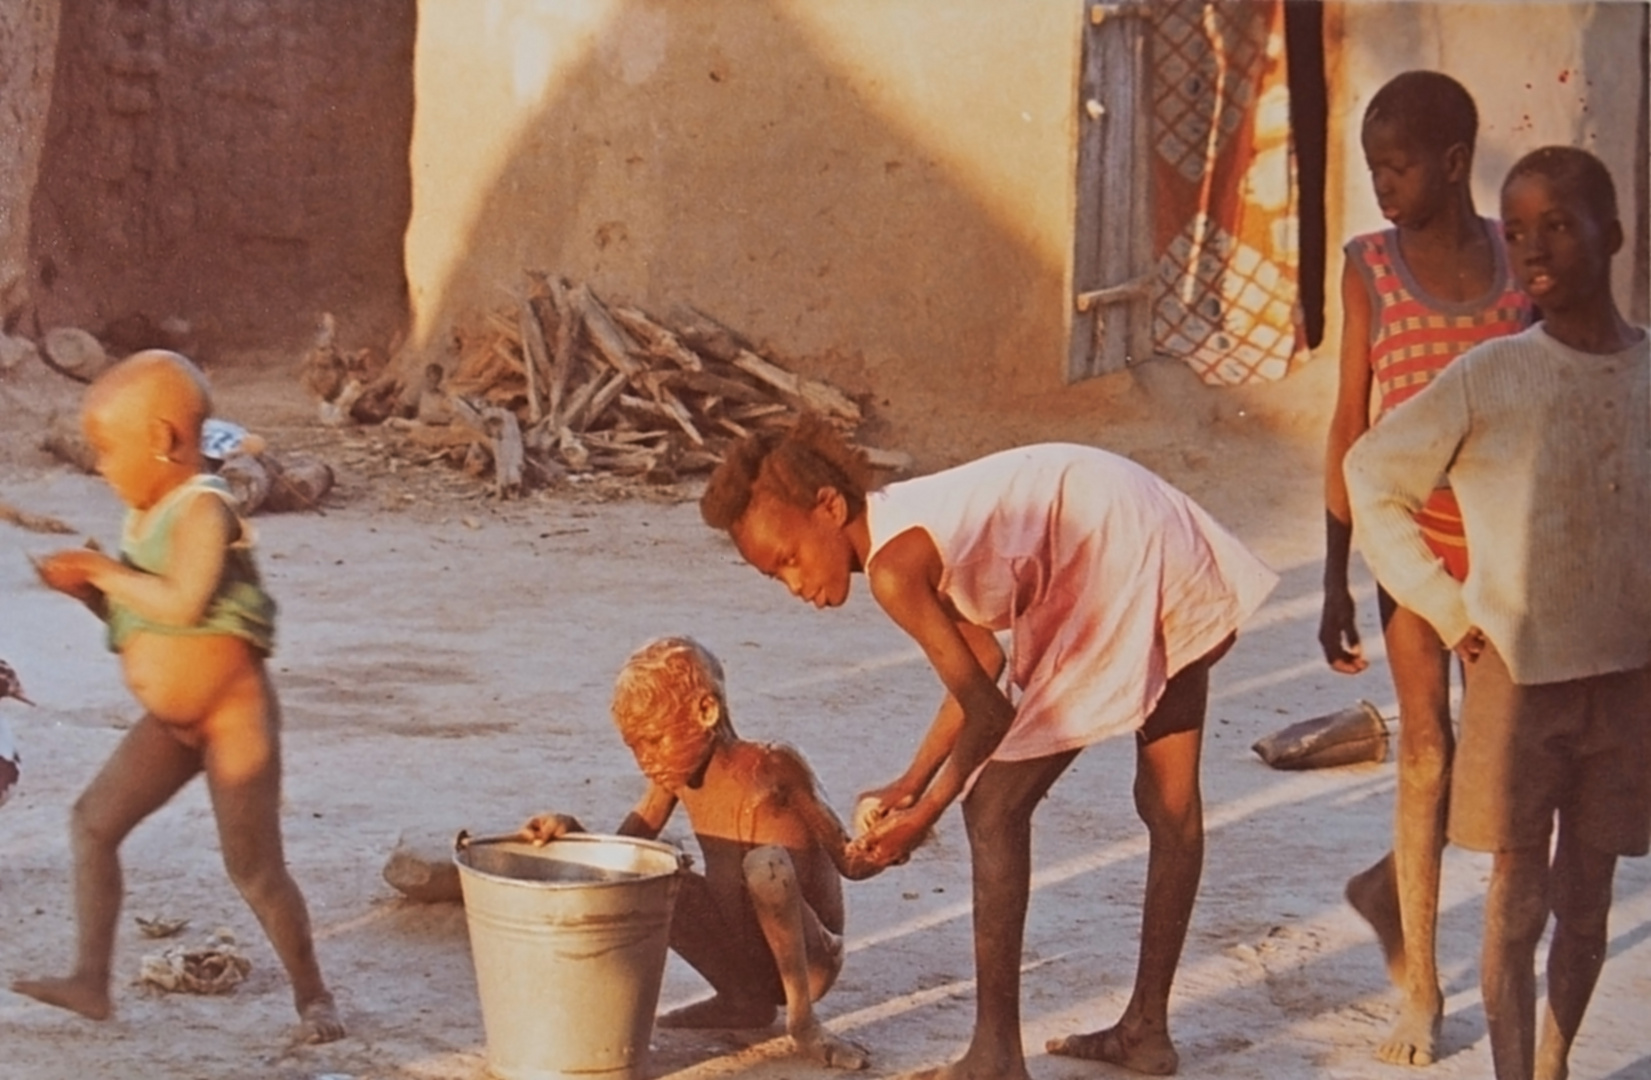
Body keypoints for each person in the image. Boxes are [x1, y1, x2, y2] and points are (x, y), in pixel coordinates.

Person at [699, 424, 1276, 1079]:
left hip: (1109, 548)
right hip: (1140, 524)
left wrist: (928, 811)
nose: (793, 584)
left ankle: (994, 1057)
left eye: (788, 559)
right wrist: (909, 782)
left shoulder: (892, 567)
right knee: (1168, 805)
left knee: (992, 811)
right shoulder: (910, 523)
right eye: (776, 577)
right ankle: (1145, 1031)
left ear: (828, 508)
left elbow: (989, 710)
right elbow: (979, 663)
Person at [1345, 146, 1648, 1080]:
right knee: (1516, 895)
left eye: (1557, 224)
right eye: (1515, 231)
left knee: (1588, 897)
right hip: (1518, 685)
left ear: (1614, 235)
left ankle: (1555, 1061)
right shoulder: (1493, 375)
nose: (1533, 249)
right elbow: (1372, 476)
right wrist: (1444, 608)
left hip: (1627, 684)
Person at [11, 350, 343, 1044]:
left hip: (232, 719)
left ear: (163, 440)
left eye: (107, 449)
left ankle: (314, 996)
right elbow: (145, 623)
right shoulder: (147, 515)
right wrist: (92, 598)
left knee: (254, 868)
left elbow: (186, 600)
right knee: (92, 824)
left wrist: (104, 568)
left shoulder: (205, 508)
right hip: (172, 722)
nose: (99, 466)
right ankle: (91, 980)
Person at [1319, 69, 1531, 1066]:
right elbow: (1348, 424)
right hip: (1406, 549)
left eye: (1397, 166)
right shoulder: (1368, 266)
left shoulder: (1519, 259)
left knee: (1498, 776)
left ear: (1452, 164)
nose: (1382, 186)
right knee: (1425, 754)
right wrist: (1332, 578)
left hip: (1503, 557)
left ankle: (1390, 891)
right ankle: (1425, 997)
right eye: (1372, 168)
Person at [521, 635, 877, 1070]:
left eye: (655, 742)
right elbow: (625, 856)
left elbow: (849, 858)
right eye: (637, 749)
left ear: (706, 711)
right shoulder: (674, 778)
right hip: (742, 953)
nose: (646, 762)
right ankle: (742, 998)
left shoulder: (775, 766)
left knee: (764, 866)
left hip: (809, 958)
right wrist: (573, 833)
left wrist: (899, 831)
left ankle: (802, 1022)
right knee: (657, 870)